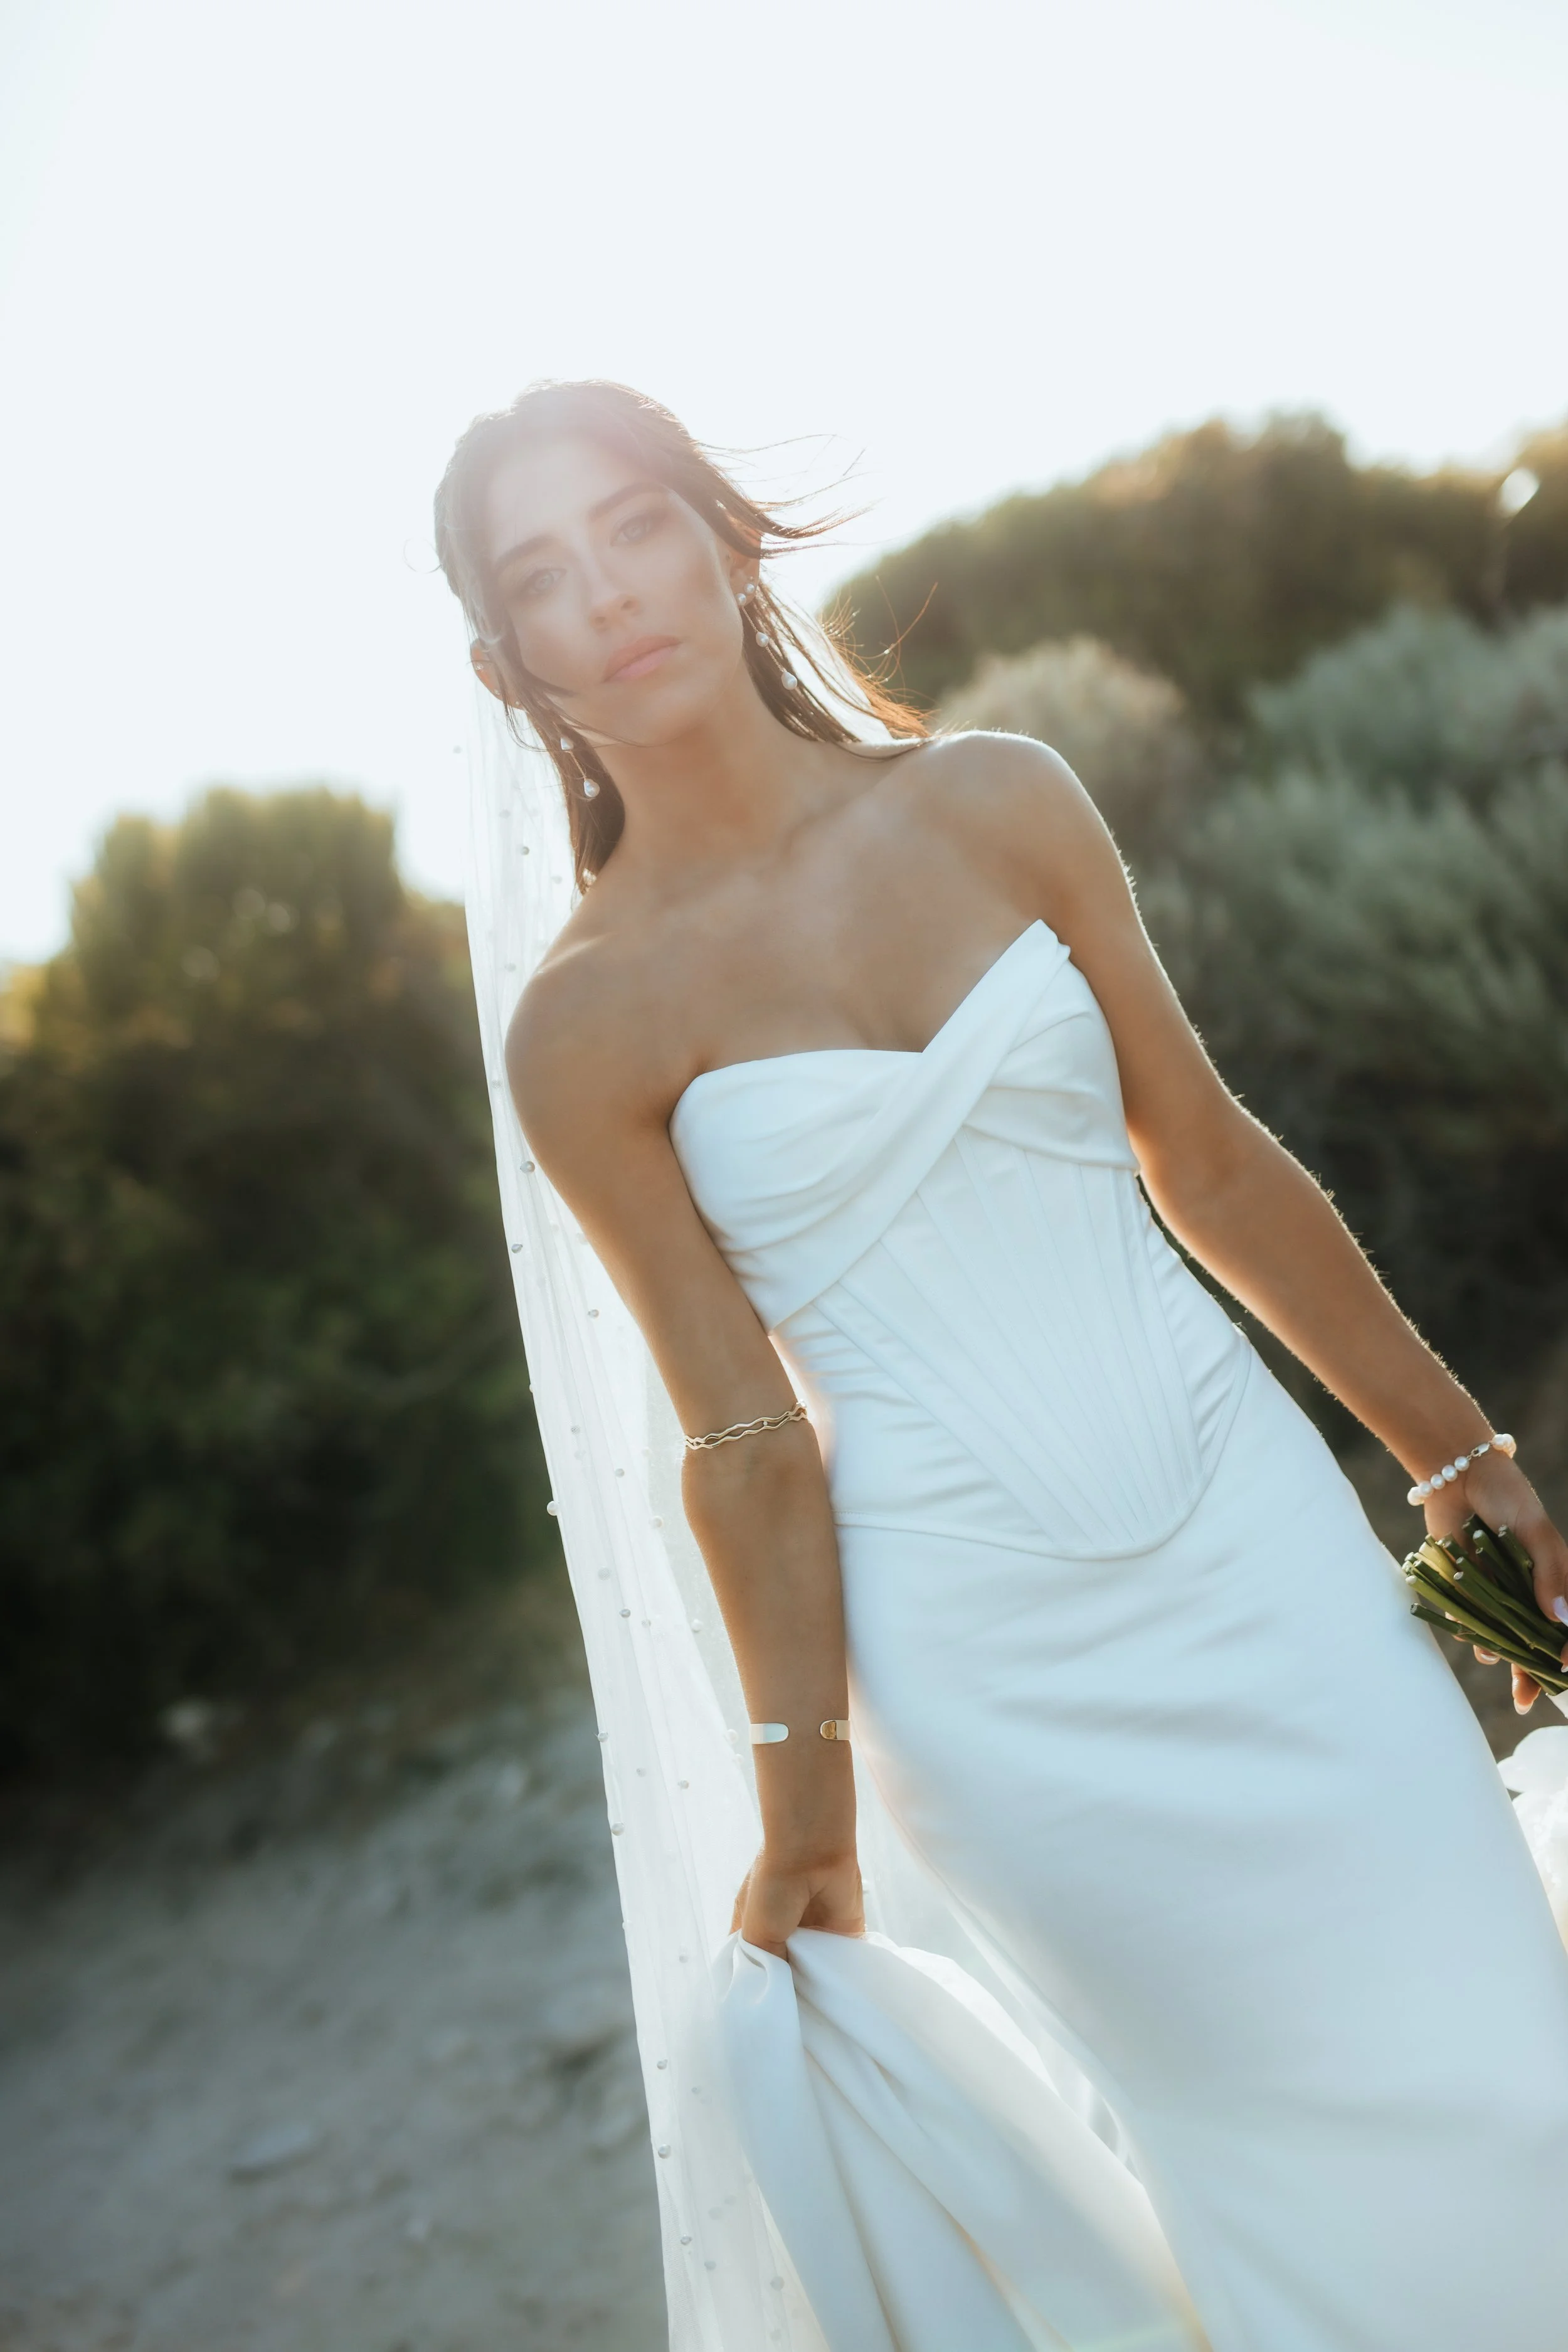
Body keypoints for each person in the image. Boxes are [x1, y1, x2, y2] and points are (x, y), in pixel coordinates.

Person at [435, 380, 1568, 2352]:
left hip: (1260, 1550)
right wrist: (803, 1813)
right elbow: (740, 1428)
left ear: (719, 534)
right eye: (542, 575)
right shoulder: (585, 1026)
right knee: (1266, 2152)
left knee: (1511, 2074)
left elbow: (1203, 1157)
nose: (607, 592)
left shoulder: (998, 796)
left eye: (631, 525)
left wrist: (1451, 1442)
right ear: (503, 660)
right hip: (996, 1681)